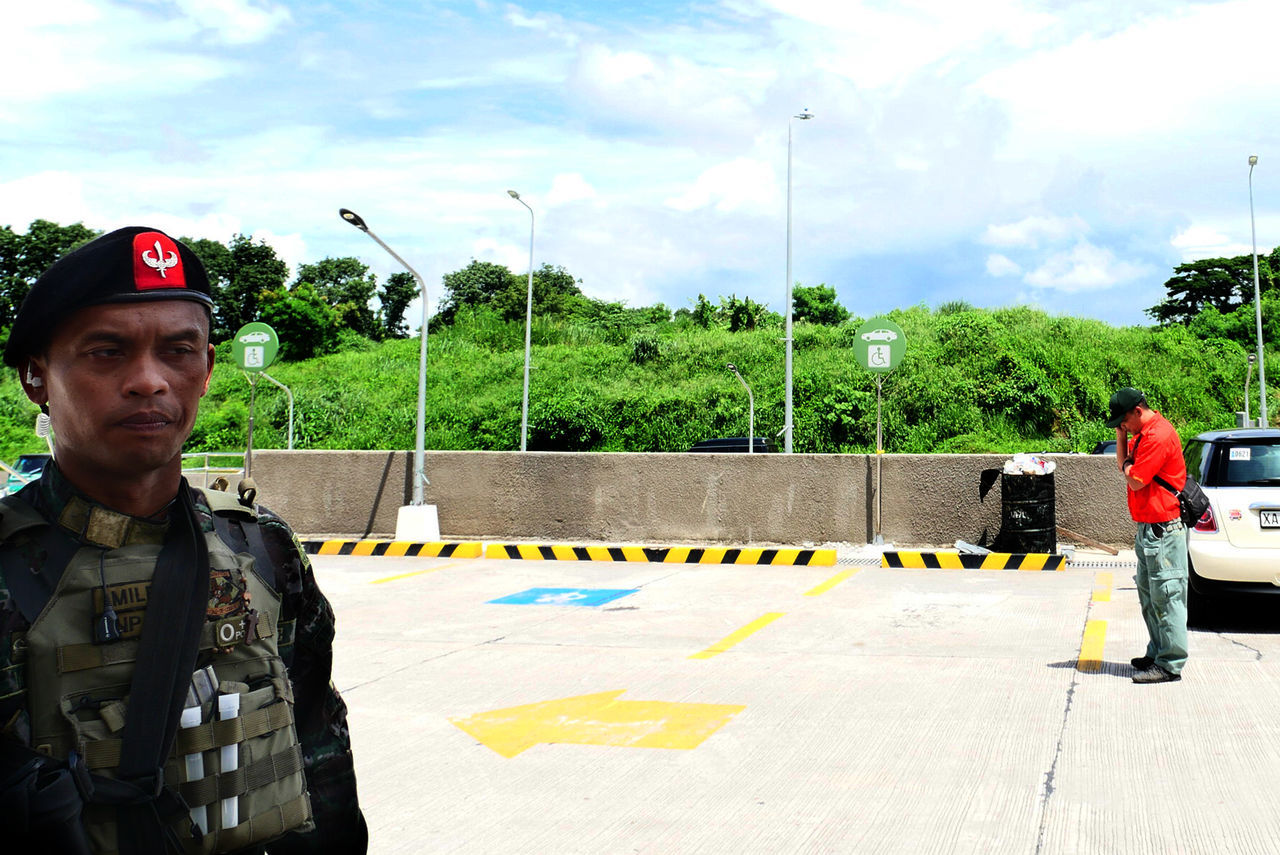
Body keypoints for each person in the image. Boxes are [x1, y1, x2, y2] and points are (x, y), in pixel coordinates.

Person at [0, 227, 368, 852]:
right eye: (106, 352)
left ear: (206, 370)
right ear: (37, 377)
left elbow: (318, 740)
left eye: (178, 350)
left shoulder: (261, 546)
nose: (149, 381)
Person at [1108, 386, 1188, 685]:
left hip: (1164, 530)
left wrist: (1129, 466)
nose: (1123, 426)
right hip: (1148, 528)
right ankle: (1157, 653)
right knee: (1149, 595)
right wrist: (1122, 438)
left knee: (1167, 596)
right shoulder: (1142, 433)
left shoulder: (1158, 435)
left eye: (1124, 421)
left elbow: (1137, 481)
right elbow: (1124, 467)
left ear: (1137, 411)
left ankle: (1170, 664)